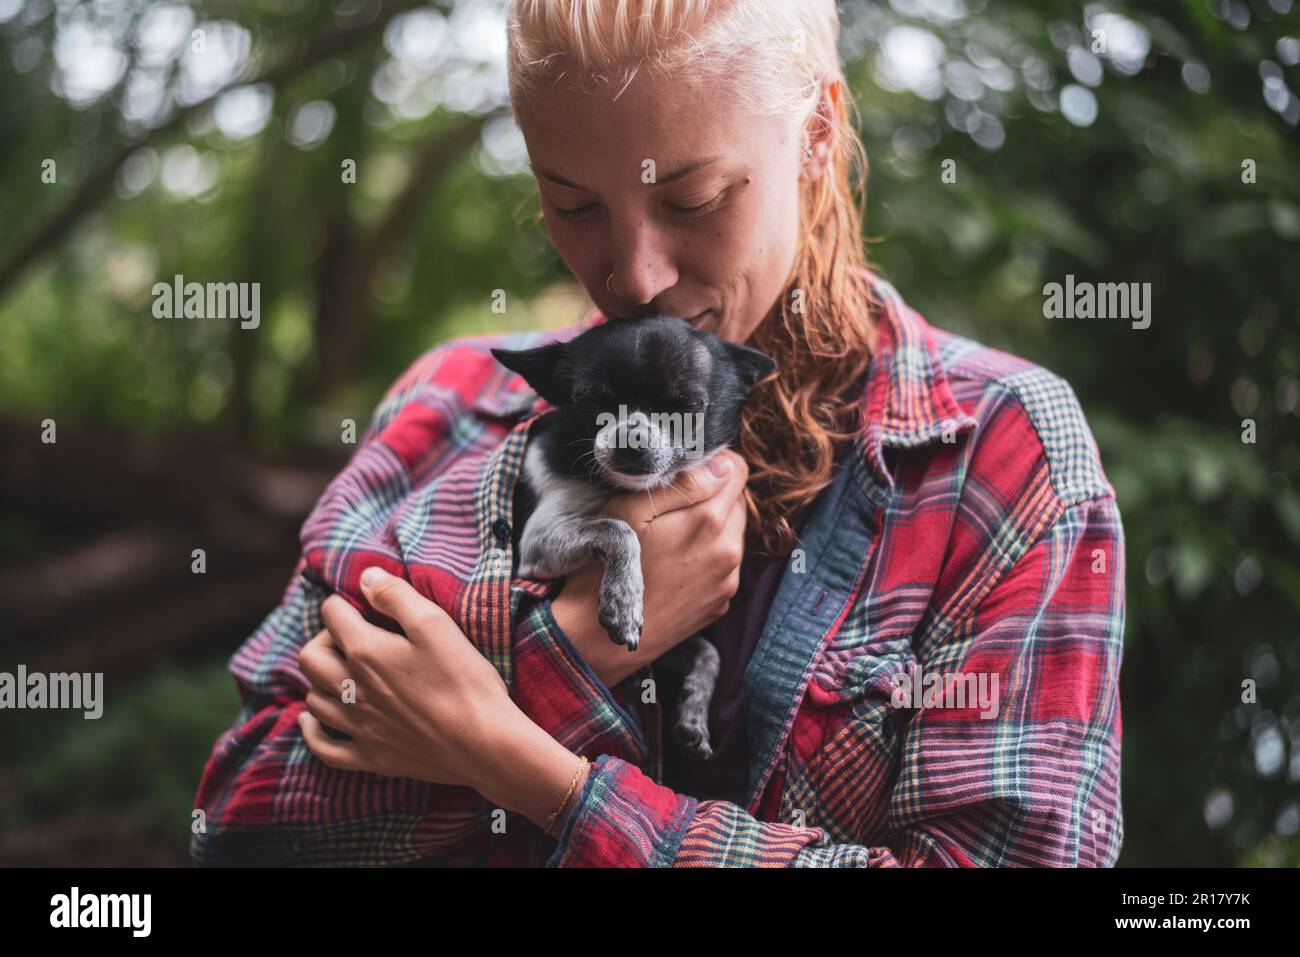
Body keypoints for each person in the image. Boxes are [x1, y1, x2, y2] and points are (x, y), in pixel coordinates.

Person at [191, 0, 1124, 867]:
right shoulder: (453, 402)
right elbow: (233, 822)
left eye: (694, 200)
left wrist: (534, 768)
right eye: (575, 205)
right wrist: (571, 650)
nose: (633, 277)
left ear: (818, 134)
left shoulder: (997, 457)